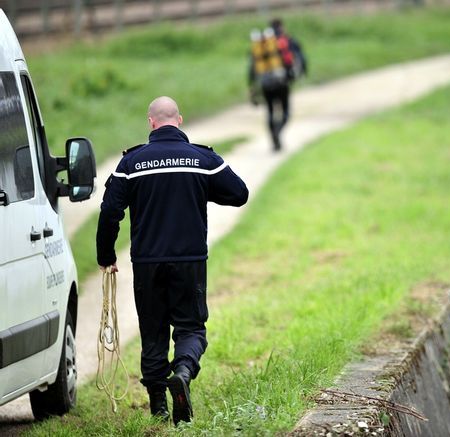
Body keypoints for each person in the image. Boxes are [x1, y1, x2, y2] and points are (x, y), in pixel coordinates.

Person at [96, 96, 249, 424]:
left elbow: (109, 211)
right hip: (189, 261)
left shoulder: (130, 163)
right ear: (179, 120)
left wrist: (106, 256)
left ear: (151, 122)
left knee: (153, 331)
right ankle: (182, 372)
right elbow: (239, 194)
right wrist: (201, 188)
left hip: (147, 263)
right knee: (190, 327)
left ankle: (158, 407)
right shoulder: (202, 159)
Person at [248, 18, 307, 151]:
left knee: (270, 111)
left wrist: (251, 86)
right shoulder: (285, 41)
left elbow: (252, 67)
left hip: (265, 83)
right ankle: (278, 133)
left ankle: (274, 138)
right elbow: (300, 58)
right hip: (282, 81)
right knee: (285, 112)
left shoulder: (261, 44)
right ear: (282, 27)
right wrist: (300, 74)